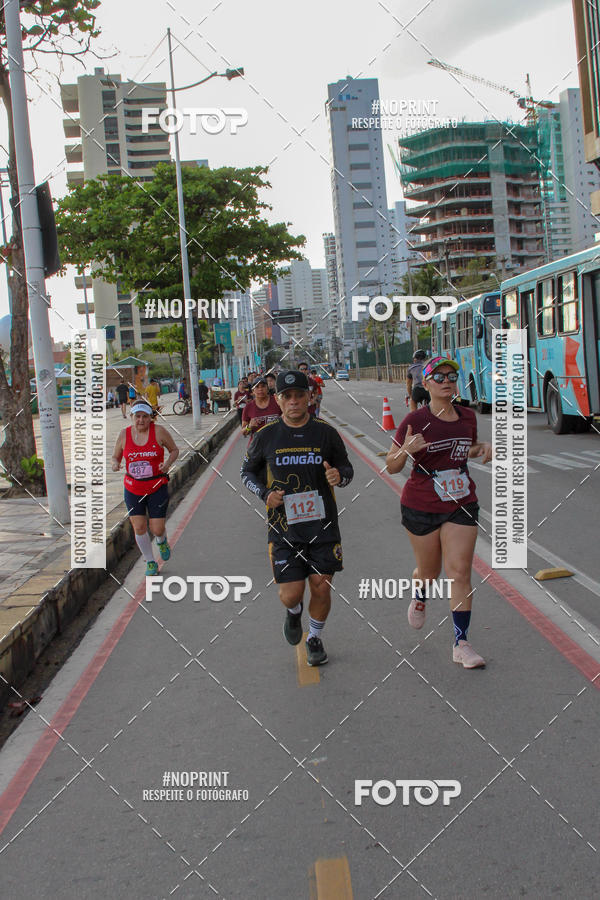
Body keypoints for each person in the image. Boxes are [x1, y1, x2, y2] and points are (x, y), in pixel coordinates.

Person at [241, 370, 354, 666]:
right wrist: (265, 494)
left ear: (309, 397)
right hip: (283, 529)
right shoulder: (265, 436)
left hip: (323, 525)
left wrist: (338, 476)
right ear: (278, 400)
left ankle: (314, 637)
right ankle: (293, 613)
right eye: (287, 396)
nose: (293, 401)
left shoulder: (326, 433)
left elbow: (346, 468)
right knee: (290, 595)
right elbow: (246, 473)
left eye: (299, 395)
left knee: (321, 585)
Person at [386, 356, 492, 669]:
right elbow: (392, 466)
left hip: (461, 501)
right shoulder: (415, 421)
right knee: (429, 573)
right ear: (427, 384)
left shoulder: (467, 417)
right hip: (421, 504)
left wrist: (481, 447)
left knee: (459, 570)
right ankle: (420, 592)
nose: (447, 381)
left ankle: (461, 642)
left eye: (452, 376)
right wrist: (407, 450)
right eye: (440, 377)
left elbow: (461, 448)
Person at [111, 399, 180, 576]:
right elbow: (115, 457)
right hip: (133, 488)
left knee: (156, 528)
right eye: (137, 416)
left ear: (151, 418)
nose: (140, 420)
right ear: (131, 417)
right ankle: (150, 562)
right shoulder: (123, 434)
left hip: (157, 486)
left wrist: (167, 465)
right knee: (139, 527)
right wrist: (115, 464)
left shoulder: (159, 432)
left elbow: (174, 450)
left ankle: (161, 540)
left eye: (144, 416)